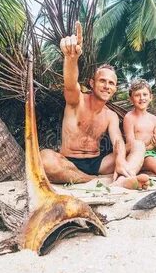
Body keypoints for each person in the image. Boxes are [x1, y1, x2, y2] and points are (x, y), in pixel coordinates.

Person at [40, 22, 149, 190]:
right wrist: (71, 58)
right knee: (45, 159)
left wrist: (119, 159)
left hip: (98, 163)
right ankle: (91, 180)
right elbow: (70, 83)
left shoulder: (110, 115)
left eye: (111, 83)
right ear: (92, 83)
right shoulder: (77, 100)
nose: (107, 86)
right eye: (102, 81)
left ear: (114, 89)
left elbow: (118, 140)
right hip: (68, 162)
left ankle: (124, 178)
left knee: (138, 145)